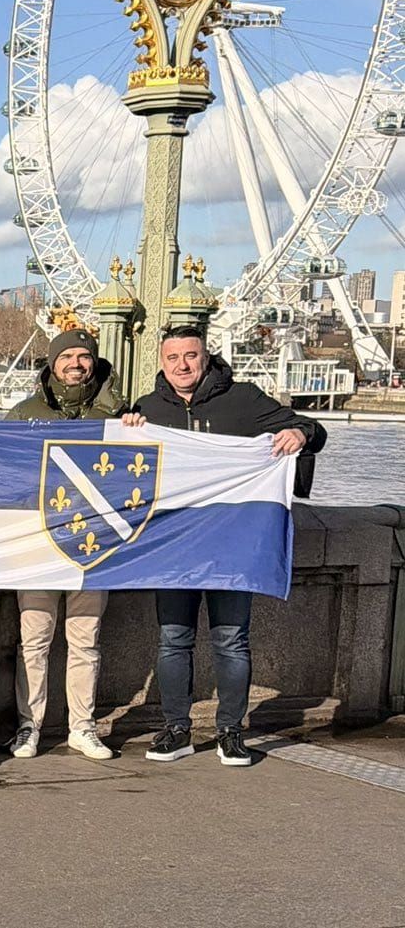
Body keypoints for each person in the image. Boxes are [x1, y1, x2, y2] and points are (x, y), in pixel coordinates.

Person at [125, 324, 325, 769]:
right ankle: (176, 727)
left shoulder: (246, 400)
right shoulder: (147, 409)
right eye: (173, 357)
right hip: (173, 544)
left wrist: (300, 434)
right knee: (172, 639)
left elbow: (313, 428)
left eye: (191, 356)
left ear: (206, 357)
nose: (182, 365)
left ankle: (230, 732)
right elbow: (123, 468)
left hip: (232, 543)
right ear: (162, 361)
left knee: (232, 640)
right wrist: (128, 430)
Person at [5, 326, 126, 762]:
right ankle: (28, 726)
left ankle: (83, 726)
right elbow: (2, 471)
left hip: (95, 545)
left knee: (85, 640)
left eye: (83, 356)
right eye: (67, 357)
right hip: (39, 545)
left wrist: (133, 427)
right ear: (52, 364)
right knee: (33, 640)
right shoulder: (23, 414)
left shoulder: (118, 413)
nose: (76, 364)